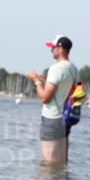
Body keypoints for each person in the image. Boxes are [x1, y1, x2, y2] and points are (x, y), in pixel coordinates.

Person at [26, 35, 79, 165]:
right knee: (61, 162)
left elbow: (45, 98)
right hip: (66, 120)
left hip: (52, 119)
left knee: (49, 164)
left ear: (60, 48)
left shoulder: (56, 68)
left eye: (53, 47)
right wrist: (43, 81)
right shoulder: (73, 69)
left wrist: (37, 82)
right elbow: (62, 91)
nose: (51, 50)